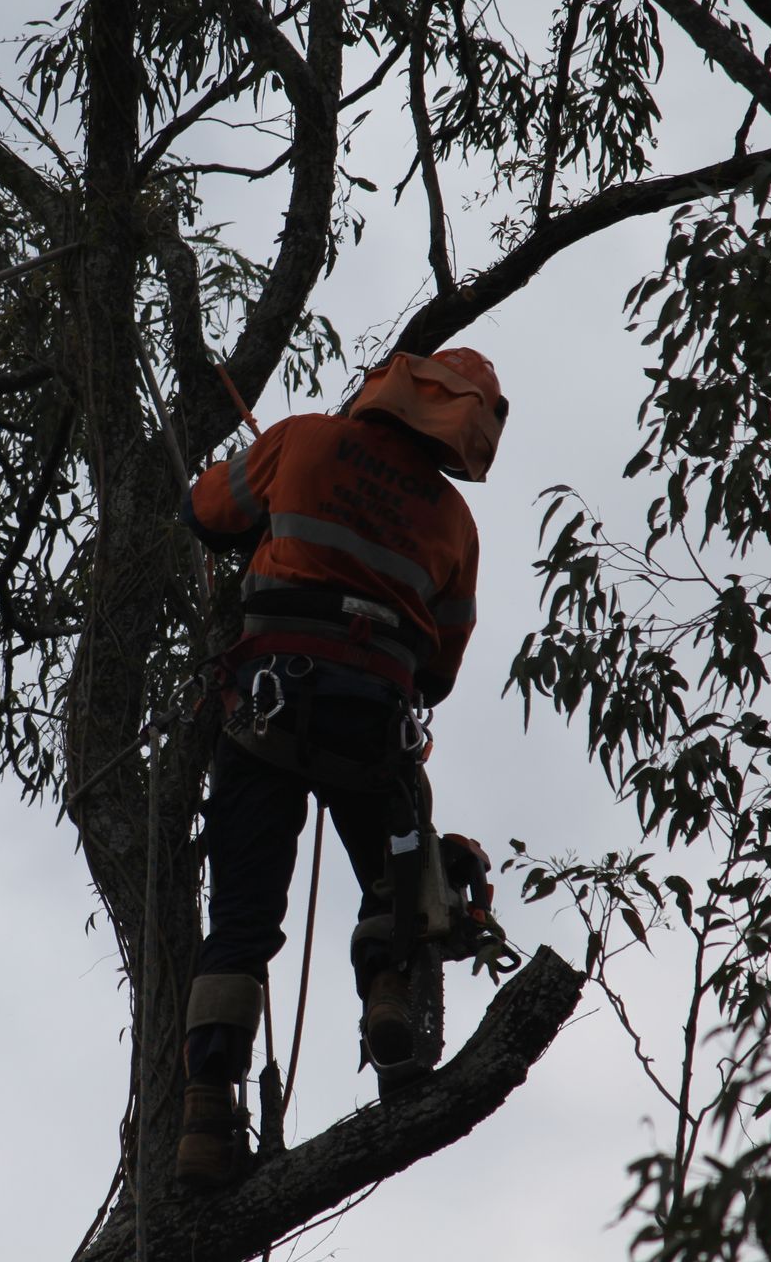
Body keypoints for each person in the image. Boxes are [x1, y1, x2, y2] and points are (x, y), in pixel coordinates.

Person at [173, 347, 507, 1188]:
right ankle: (389, 993)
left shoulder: (305, 440)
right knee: (399, 883)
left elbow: (209, 512)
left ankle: (207, 1119)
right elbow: (438, 669)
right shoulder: (457, 526)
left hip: (266, 711)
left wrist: (278, 512)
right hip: (374, 729)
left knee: (242, 924)